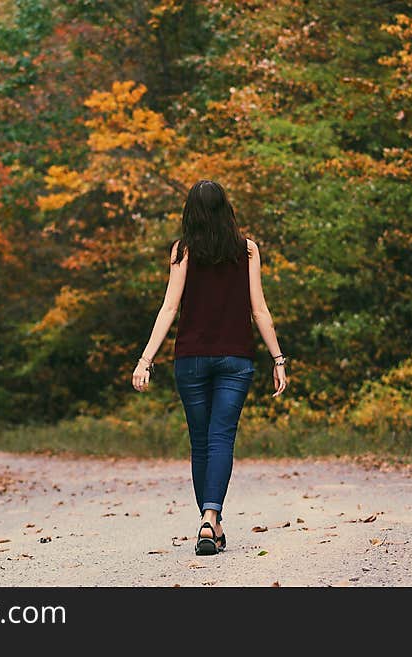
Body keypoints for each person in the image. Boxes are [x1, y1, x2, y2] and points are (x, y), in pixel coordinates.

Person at [131, 179, 288, 556]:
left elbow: (169, 308)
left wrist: (145, 359)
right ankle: (211, 517)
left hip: (191, 359)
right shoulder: (247, 250)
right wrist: (278, 358)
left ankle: (207, 521)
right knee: (221, 439)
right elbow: (259, 309)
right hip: (237, 359)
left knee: (200, 441)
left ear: (191, 213)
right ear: (226, 209)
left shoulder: (182, 251)